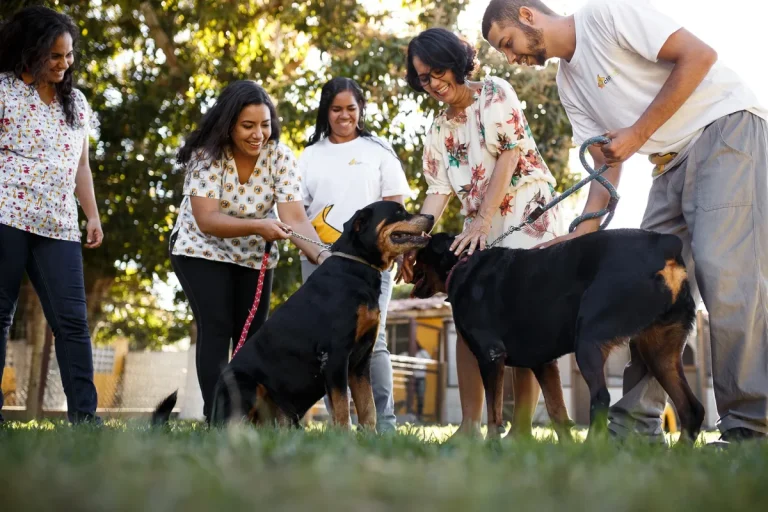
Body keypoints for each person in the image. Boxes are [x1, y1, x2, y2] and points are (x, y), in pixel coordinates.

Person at [482, 0, 768, 444]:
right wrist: (577, 237)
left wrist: (635, 134)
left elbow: (699, 55)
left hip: (725, 130)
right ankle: (635, 429)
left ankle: (750, 430)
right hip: (667, 163)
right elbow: (605, 165)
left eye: (508, 44)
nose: (512, 58)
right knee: (642, 287)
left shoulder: (606, 17)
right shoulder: (568, 84)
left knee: (725, 276)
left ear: (527, 15)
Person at [397, 28, 564, 439]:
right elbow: (437, 195)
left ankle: (522, 428)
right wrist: (412, 244)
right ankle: (471, 425)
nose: (434, 84)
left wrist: (483, 219)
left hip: (525, 214)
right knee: (468, 318)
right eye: (423, 77)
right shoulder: (438, 130)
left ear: (456, 63)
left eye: (438, 72)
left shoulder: (494, 92)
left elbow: (510, 152)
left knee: (523, 322)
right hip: (480, 233)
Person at [170, 80, 329, 423]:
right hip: (200, 248)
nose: (259, 134)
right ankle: (218, 421)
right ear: (228, 125)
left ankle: (251, 419)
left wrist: (325, 258)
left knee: (253, 337)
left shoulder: (280, 157)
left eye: (265, 125)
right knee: (217, 326)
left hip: (253, 255)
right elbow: (207, 219)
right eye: (248, 126)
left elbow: (294, 218)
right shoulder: (206, 157)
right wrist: (259, 225)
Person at [0, 6, 103, 424]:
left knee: (73, 322)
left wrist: (92, 215)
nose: (64, 64)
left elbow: (81, 166)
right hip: (6, 214)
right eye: (54, 56)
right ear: (31, 51)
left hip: (58, 223)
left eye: (69, 55)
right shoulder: (4, 91)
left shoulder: (75, 103)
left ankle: (85, 417)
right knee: (1, 315)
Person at [298, 77, 411, 433]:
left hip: (372, 265)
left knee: (372, 342)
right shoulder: (309, 154)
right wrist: (315, 253)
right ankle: (338, 426)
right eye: (336, 109)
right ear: (325, 112)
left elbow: (395, 206)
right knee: (327, 345)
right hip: (320, 262)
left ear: (360, 110)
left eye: (351, 108)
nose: (344, 116)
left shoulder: (378, 150)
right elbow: (295, 211)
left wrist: (401, 251)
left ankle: (383, 427)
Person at [413, 342, 432, 421]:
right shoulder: (408, 352)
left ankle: (419, 416)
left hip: (421, 378)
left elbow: (429, 359)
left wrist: (421, 351)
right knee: (411, 397)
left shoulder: (422, 353)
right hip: (412, 378)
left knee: (420, 397)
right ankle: (412, 415)